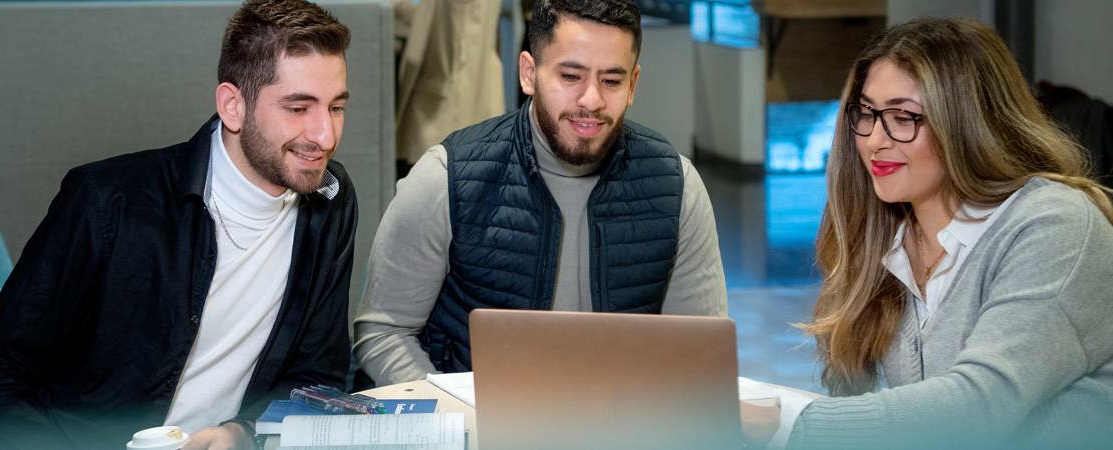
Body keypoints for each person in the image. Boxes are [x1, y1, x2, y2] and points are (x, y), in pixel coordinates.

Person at [0, 1, 357, 448]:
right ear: (233, 106)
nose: (326, 136)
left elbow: (315, 375)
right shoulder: (109, 201)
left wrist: (241, 433)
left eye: (335, 107)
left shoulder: (329, 199)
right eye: (299, 108)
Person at [739, 17, 1113, 449]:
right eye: (867, 113)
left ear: (970, 122)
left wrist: (779, 421)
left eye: (904, 116)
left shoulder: (1057, 225)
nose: (875, 140)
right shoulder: (889, 239)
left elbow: (976, 408)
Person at [353, 0, 727, 386]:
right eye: (570, 76)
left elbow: (698, 353)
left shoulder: (676, 186)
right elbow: (383, 334)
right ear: (528, 74)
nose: (591, 100)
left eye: (611, 81)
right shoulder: (446, 178)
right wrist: (461, 423)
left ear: (632, 85)